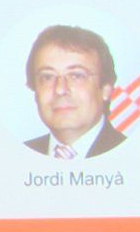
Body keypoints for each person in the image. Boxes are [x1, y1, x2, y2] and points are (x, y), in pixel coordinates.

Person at [22, 25, 126, 160]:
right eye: (47, 77)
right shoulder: (13, 158)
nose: (60, 89)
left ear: (106, 90)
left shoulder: (136, 157)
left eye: (76, 76)